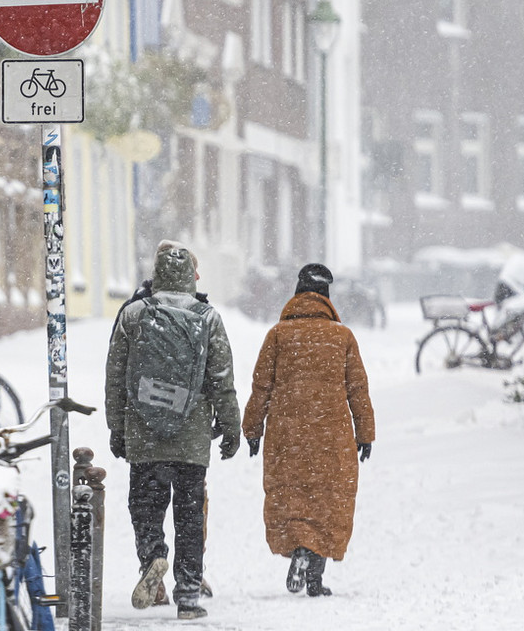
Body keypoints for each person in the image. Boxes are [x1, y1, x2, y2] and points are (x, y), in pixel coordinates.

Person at [106, 240, 239, 621]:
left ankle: (153, 556)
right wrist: (231, 427)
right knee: (189, 515)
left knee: (145, 506)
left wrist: (118, 428)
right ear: (189, 277)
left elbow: (116, 377)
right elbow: (221, 379)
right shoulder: (208, 317)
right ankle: (189, 594)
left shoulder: (133, 315)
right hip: (192, 436)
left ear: (157, 273)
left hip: (144, 434)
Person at [241, 263, 375, 598]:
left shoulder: (277, 335)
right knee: (327, 500)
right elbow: (358, 389)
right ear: (327, 298)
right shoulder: (342, 337)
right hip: (332, 434)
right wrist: (365, 433)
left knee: (293, 496)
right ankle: (315, 575)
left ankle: (298, 549)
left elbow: (261, 388)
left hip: (287, 436)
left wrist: (252, 428)